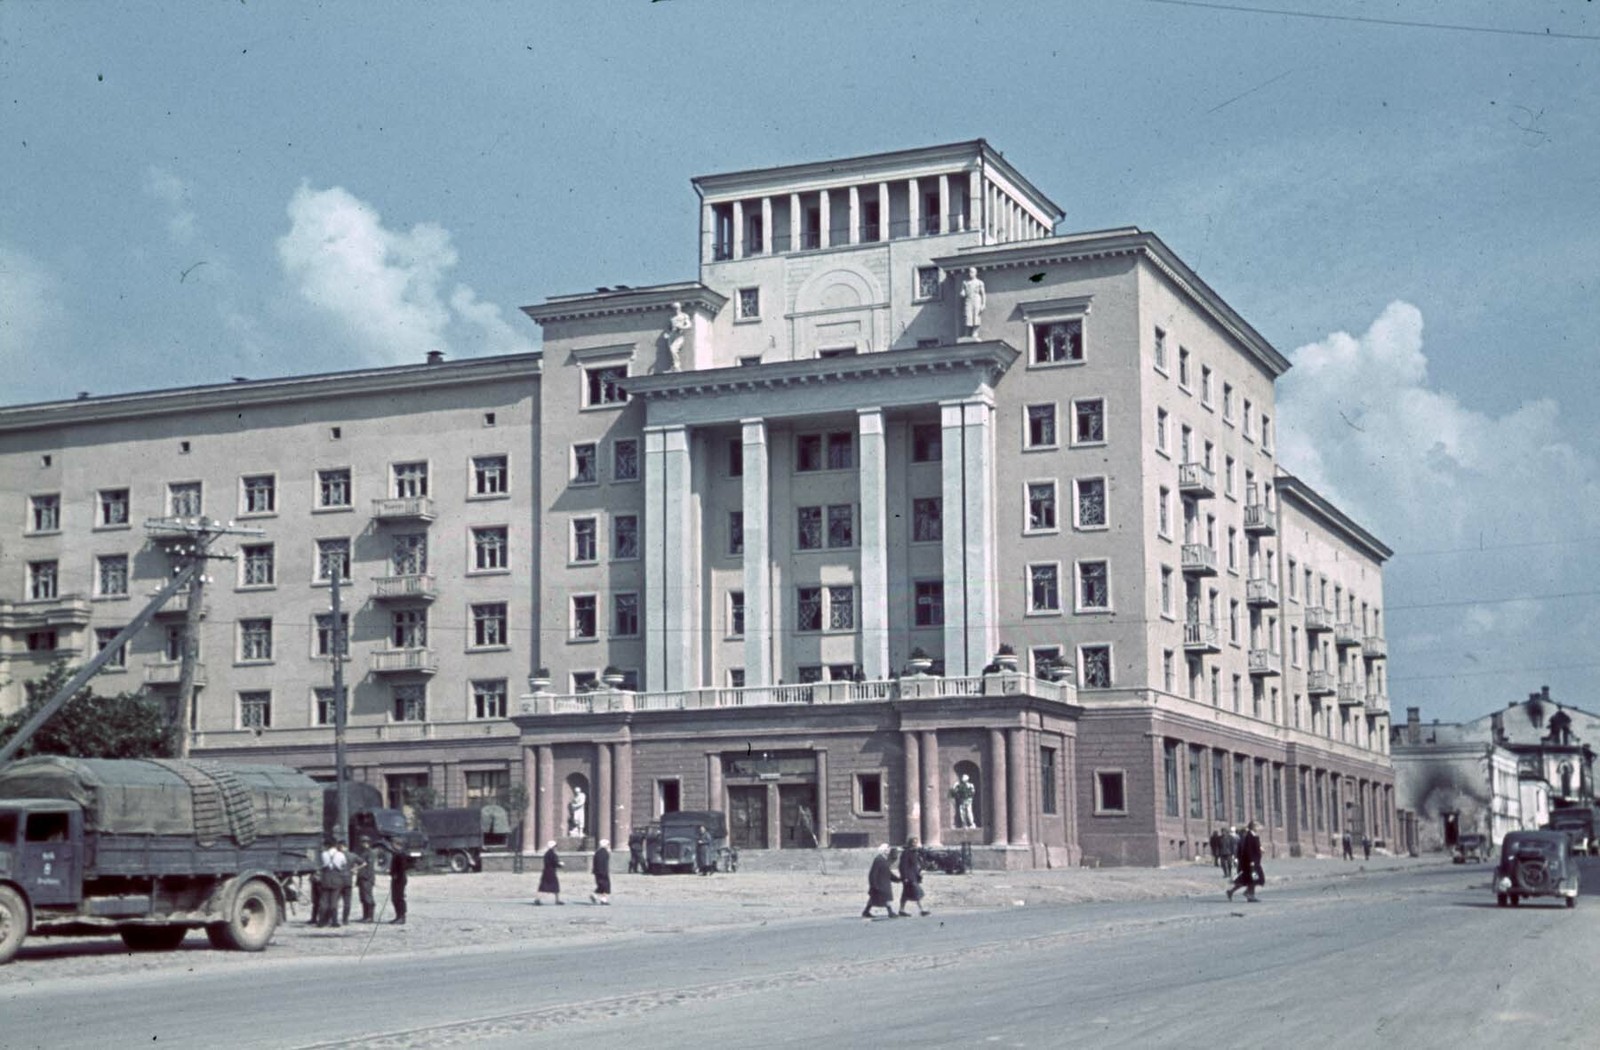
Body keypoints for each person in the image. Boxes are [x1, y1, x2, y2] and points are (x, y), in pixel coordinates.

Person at [1226, 820, 1264, 903]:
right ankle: (1250, 895)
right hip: (1251, 862)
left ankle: (1241, 893)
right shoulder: (1249, 836)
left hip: (1254, 861)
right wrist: (1251, 861)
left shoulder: (1254, 835)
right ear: (1253, 827)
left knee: (1248, 879)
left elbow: (1255, 847)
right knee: (1252, 878)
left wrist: (1260, 849)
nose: (1259, 828)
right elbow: (1248, 850)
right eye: (1257, 826)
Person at [862, 843, 900, 920]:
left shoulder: (883, 859)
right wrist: (874, 884)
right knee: (886, 897)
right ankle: (890, 912)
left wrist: (897, 879)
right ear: (884, 850)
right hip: (880, 883)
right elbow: (873, 873)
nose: (889, 850)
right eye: (887, 849)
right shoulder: (879, 859)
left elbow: (888, 872)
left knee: (873, 899)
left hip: (883, 882)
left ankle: (866, 911)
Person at [317, 839, 347, 928]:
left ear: (327, 845)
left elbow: (321, 865)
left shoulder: (323, 854)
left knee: (324, 901)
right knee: (334, 901)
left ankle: (321, 921)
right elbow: (343, 865)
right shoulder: (341, 854)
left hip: (326, 878)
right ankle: (334, 921)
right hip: (336, 878)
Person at [898, 836, 930, 917]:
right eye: (913, 842)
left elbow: (917, 865)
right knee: (917, 892)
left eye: (916, 842)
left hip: (914, 876)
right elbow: (902, 866)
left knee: (905, 894)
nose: (915, 844)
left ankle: (901, 910)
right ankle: (922, 910)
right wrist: (905, 877)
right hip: (909, 878)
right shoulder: (906, 853)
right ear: (909, 843)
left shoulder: (915, 852)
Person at [353, 835, 377, 923]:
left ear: (368, 843)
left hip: (367, 878)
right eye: (362, 842)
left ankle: (370, 917)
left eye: (365, 842)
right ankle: (365, 916)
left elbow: (369, 867)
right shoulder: (362, 852)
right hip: (361, 878)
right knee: (363, 898)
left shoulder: (370, 853)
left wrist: (366, 877)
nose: (364, 844)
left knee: (368, 897)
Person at [663, 302, 691, 371]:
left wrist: (681, 327)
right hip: (672, 336)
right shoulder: (672, 319)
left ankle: (676, 366)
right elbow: (668, 329)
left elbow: (689, 325)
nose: (675, 310)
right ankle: (674, 366)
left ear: (679, 308)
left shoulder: (684, 316)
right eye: (674, 308)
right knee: (671, 350)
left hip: (679, 335)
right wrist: (667, 334)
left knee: (673, 349)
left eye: (677, 308)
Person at [536, 840, 564, 905]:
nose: (556, 848)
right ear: (553, 847)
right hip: (551, 872)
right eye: (555, 846)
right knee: (556, 886)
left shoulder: (547, 853)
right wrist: (560, 865)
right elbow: (554, 863)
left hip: (546, 871)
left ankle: (537, 899)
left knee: (543, 886)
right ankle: (557, 900)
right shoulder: (552, 854)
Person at [387, 844, 410, 925]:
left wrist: (396, 874)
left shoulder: (401, 854)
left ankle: (402, 917)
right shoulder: (396, 854)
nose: (392, 846)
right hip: (395, 879)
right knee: (394, 898)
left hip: (400, 879)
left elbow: (403, 867)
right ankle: (397, 916)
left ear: (398, 845)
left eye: (394, 844)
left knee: (399, 898)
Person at [960, 267, 986, 336]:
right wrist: (962, 293)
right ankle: (967, 332)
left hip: (976, 299)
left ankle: (975, 331)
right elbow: (963, 291)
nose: (970, 274)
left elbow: (983, 294)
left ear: (975, 273)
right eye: (969, 272)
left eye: (972, 272)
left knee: (976, 315)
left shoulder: (979, 282)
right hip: (968, 300)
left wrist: (983, 304)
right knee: (968, 315)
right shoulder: (965, 282)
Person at [591, 839, 612, 905]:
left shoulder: (597, 852)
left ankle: (595, 896)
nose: (609, 846)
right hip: (603, 871)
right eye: (608, 844)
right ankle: (603, 899)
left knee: (601, 885)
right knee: (606, 885)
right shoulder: (604, 852)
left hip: (597, 871)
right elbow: (603, 863)